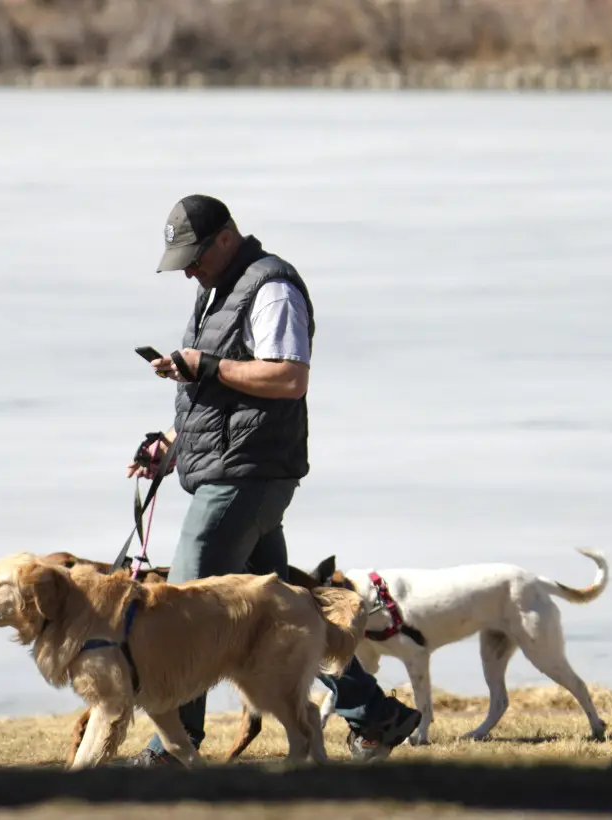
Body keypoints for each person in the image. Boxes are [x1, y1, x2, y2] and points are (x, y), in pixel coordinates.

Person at [123, 193, 421, 765]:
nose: (187, 268)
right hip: (233, 467)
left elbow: (289, 378)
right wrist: (171, 445)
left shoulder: (271, 287)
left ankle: (172, 750)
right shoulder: (215, 291)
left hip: (249, 474)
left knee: (185, 602)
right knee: (287, 611)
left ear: (226, 237)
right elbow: (214, 395)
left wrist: (204, 364)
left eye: (194, 255)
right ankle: (375, 716)